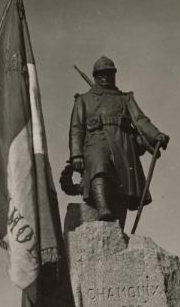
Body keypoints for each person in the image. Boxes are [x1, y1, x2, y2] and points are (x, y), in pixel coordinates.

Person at [70, 56, 169, 221]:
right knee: (99, 165)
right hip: (96, 139)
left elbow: (141, 120)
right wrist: (76, 154)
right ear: (95, 76)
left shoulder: (125, 98)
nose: (105, 77)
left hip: (122, 141)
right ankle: (102, 208)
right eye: (101, 74)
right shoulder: (83, 99)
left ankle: (118, 226)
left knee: (124, 184)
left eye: (109, 73)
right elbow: (76, 129)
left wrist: (156, 135)